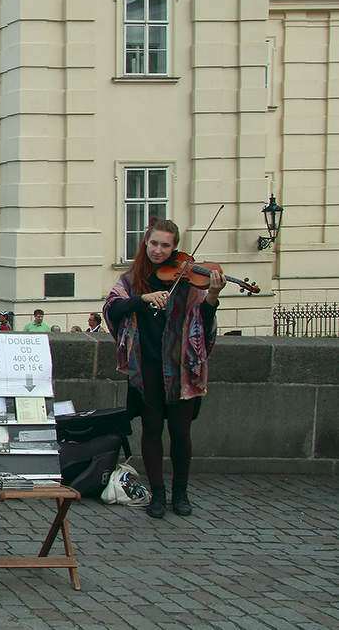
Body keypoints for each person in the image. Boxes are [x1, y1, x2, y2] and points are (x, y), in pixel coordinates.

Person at [103, 218, 224, 518]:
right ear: (146, 242)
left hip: (182, 367)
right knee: (152, 430)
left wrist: (212, 296)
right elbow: (112, 308)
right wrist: (142, 298)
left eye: (165, 245)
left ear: (174, 248)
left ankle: (181, 494)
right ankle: (158, 495)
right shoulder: (133, 278)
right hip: (147, 366)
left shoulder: (189, 280)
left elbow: (204, 323)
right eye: (154, 243)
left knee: (181, 432)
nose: (158, 250)